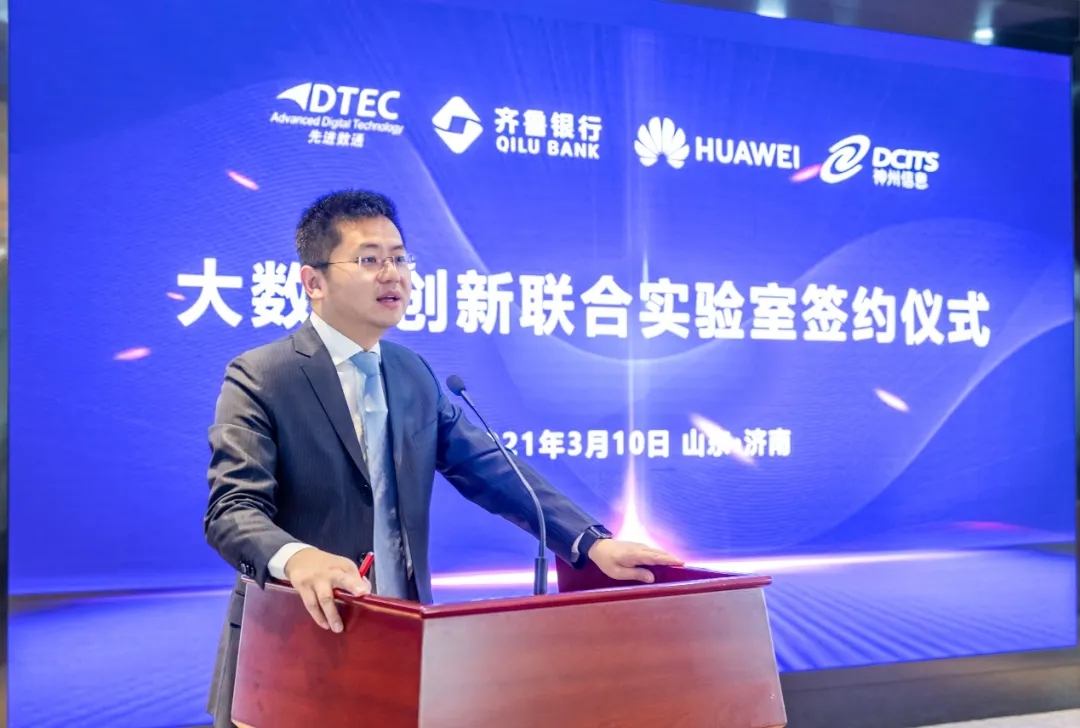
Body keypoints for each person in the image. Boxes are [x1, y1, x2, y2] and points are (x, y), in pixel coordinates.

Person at [202, 189, 682, 727]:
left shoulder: (412, 374)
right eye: (369, 260)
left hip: (401, 641)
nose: (393, 274)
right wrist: (296, 558)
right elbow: (232, 511)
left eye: (399, 257)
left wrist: (589, 542)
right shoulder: (262, 376)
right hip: (291, 655)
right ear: (313, 282)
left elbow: (491, 469)